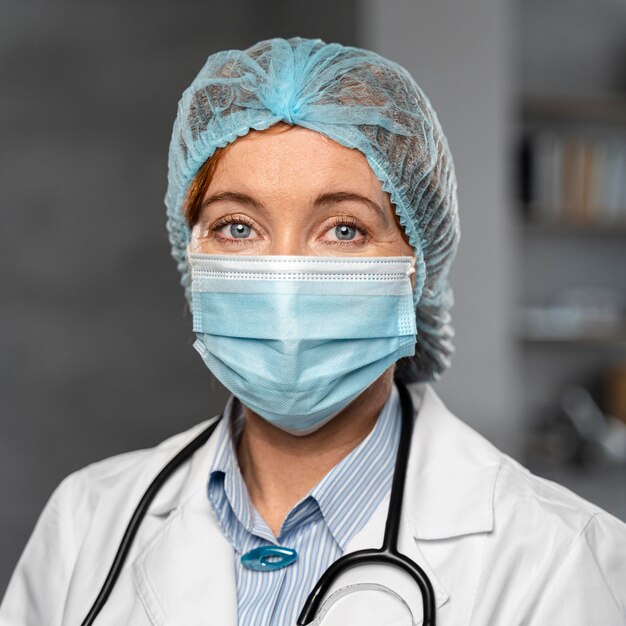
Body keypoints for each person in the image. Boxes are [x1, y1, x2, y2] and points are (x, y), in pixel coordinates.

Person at [1, 37, 625, 626]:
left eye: (345, 229)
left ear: (418, 268)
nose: (285, 280)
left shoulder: (564, 557)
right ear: (191, 254)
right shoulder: (88, 522)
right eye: (238, 227)